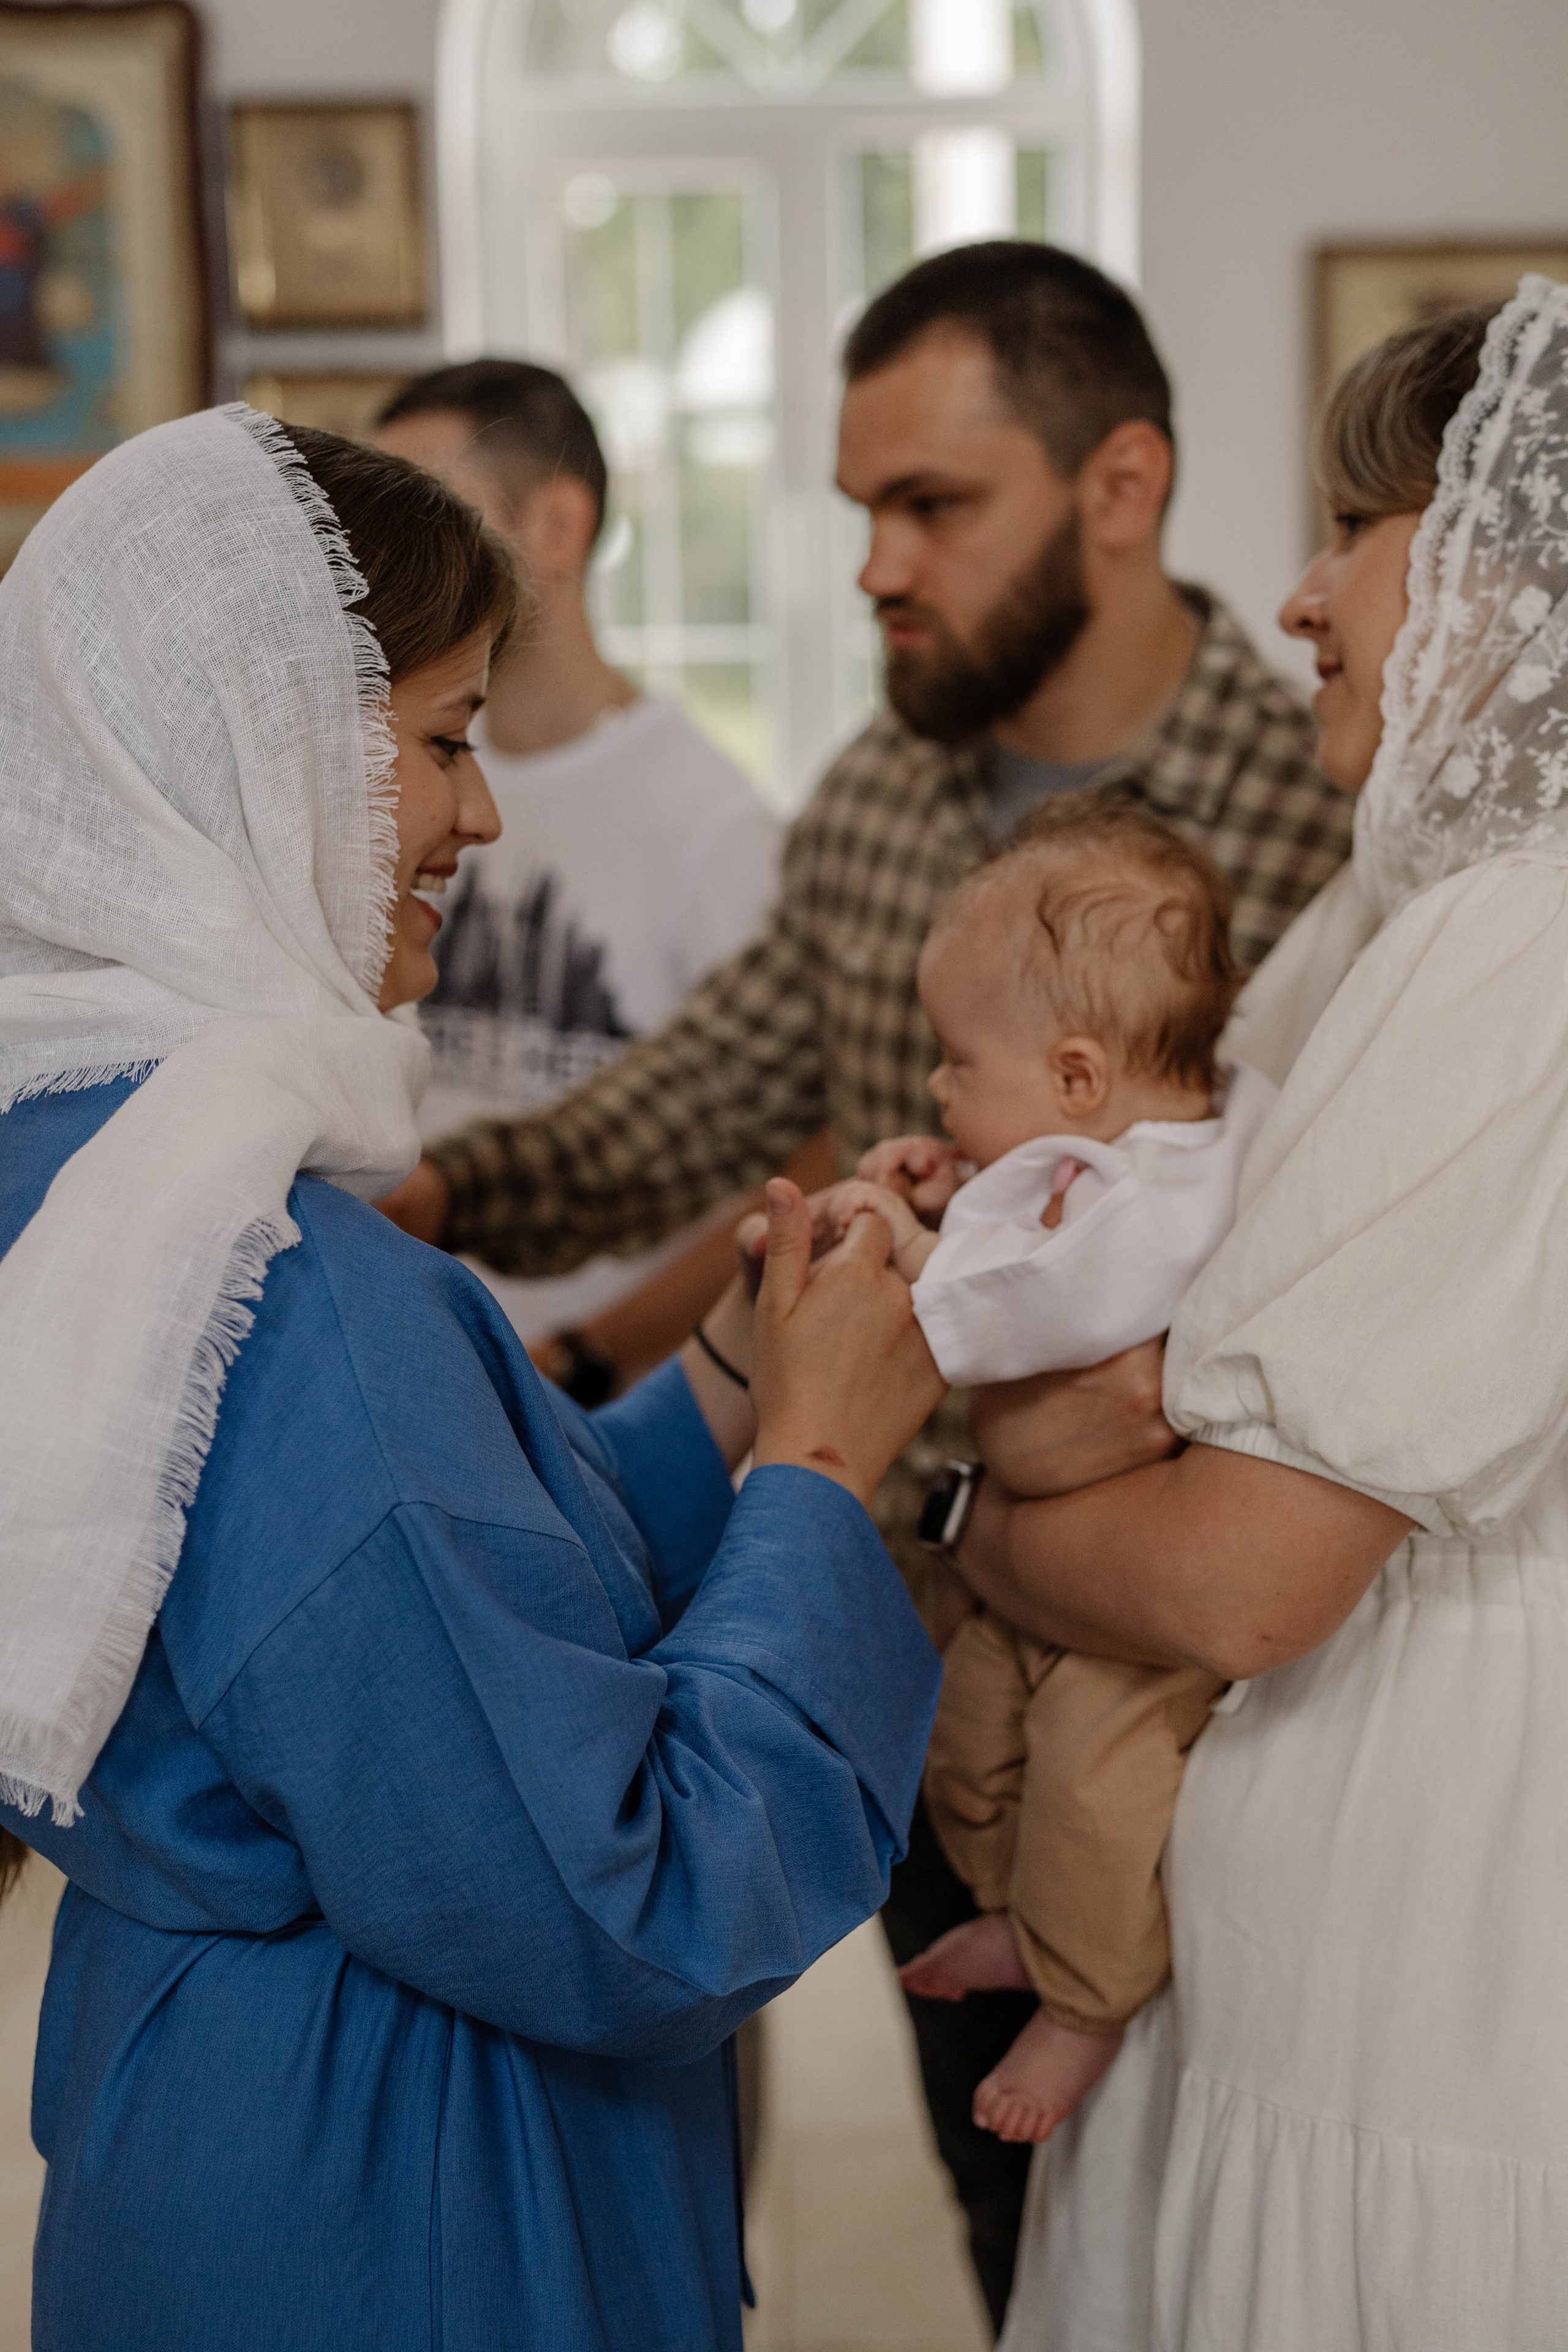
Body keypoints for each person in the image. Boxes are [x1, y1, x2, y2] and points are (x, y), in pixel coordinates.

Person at [379, 240, 1355, 2326]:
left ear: (1121, 485)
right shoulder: (878, 803)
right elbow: (699, 1101)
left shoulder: (1312, 830)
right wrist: (433, 1193)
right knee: (1012, 2224)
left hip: (1209, 1708)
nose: (874, 568)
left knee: (1231, 2246)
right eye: (857, 512)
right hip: (924, 1658)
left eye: (934, 505)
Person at [0, 404, 945, 2351]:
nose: (482, 818)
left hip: (209, 2127)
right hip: (397, 2196)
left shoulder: (92, 1161)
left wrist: (731, 1370)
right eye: (439, 744)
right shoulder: (294, 1291)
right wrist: (829, 1471)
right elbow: (620, 1896)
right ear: (249, 758)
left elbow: (445, 1600)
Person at [962, 281, 1568, 2349]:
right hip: (1307, 1903)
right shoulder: (1391, 912)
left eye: (1353, 527)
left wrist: (987, 1531)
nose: (1302, 593)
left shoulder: (1525, 937)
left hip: (1432, 1910)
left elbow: (1243, 1574)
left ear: (1506, 561)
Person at [804, 799, 1274, 2146]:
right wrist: (957, 1195)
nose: (939, 1089)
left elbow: (1021, 1309)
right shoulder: (1122, 1143)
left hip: (1139, 1622)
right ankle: (1019, 1912)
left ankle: (1083, 1999)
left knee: (1090, 1779)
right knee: (965, 1739)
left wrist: (904, 1249)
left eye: (956, 1064)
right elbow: (1035, 1226)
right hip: (1024, 1579)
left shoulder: (1159, 1205)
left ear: (1075, 1076)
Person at [374, 359, 791, 1395]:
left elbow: (781, 1171)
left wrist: (586, 1364)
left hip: (598, 1410)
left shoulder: (714, 824)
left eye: (432, 512)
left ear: (558, 526)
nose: (384, 565)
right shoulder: (386, 787)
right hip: (405, 1362)